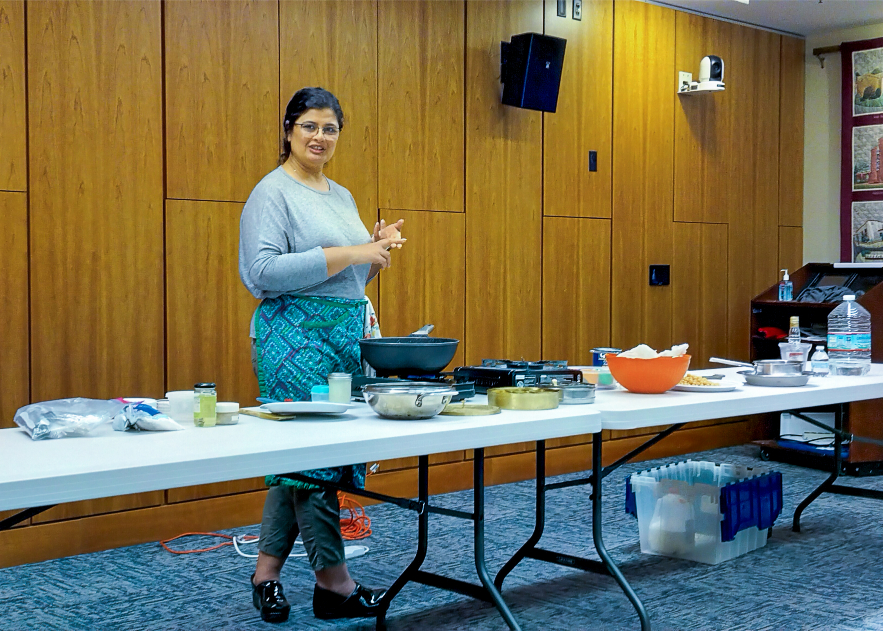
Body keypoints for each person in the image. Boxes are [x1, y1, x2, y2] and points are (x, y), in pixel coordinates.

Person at [238, 86, 405, 624]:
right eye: (309, 126)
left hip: (342, 335)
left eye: (330, 128)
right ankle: (335, 584)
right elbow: (262, 274)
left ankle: (265, 577)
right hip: (293, 337)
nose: (319, 137)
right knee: (313, 463)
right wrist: (351, 251)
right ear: (288, 129)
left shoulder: (342, 195)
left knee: (303, 462)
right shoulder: (272, 192)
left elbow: (345, 277)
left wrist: (374, 252)